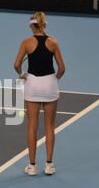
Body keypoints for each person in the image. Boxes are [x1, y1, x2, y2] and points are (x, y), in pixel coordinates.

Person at [14, 12, 65, 176]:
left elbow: (16, 65)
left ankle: (32, 166)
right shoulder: (53, 42)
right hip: (49, 85)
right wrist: (53, 80)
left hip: (33, 85)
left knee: (32, 126)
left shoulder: (26, 42)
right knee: (50, 126)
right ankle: (49, 165)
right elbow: (62, 69)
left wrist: (22, 75)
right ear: (44, 25)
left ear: (31, 25)